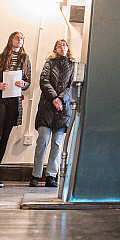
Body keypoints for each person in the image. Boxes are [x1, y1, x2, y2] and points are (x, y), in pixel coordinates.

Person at [0, 31, 31, 187]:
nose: (19, 40)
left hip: (14, 101)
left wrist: (24, 84)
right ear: (10, 40)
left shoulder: (25, 60)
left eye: (22, 38)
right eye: (17, 37)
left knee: (5, 136)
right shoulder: (0, 58)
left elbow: (27, 81)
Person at [29, 39, 74, 188]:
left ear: (68, 48)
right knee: (42, 140)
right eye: (59, 45)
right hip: (47, 108)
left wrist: (61, 99)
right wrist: (54, 98)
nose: (62, 47)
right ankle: (35, 175)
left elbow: (71, 86)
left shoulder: (73, 65)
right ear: (55, 49)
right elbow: (44, 81)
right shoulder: (49, 63)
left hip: (63, 110)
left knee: (57, 143)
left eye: (65, 45)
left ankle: (51, 176)